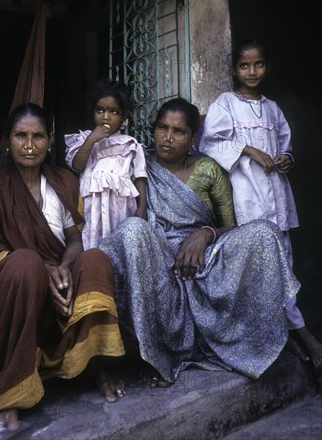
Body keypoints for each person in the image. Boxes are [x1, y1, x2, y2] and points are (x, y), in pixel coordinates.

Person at [99, 97, 300, 386]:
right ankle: (158, 355)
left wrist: (205, 234)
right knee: (131, 229)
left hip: (206, 258)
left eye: (179, 131)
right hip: (158, 256)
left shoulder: (208, 169)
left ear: (193, 137)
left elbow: (230, 226)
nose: (168, 138)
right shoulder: (139, 164)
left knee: (264, 233)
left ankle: (266, 339)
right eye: (162, 128)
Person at [0, 103, 126, 433]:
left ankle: (94, 363)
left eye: (38, 136)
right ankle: (10, 389)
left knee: (95, 260)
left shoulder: (63, 182)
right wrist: (43, 269)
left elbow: (74, 241)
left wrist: (64, 267)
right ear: (7, 141)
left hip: (56, 279)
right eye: (21, 135)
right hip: (15, 288)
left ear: (49, 142)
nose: (29, 144)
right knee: (25, 262)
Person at [199, 37, 322, 368]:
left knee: (285, 261)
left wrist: (286, 159)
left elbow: (286, 144)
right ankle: (294, 334)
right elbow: (210, 142)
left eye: (258, 64)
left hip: (276, 196)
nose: (251, 71)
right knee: (258, 269)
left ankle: (290, 331)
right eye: (244, 65)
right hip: (245, 195)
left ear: (267, 66)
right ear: (235, 69)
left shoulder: (272, 108)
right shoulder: (226, 103)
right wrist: (248, 149)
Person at [65, 79, 147, 250]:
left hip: (120, 208)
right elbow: (77, 165)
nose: (106, 116)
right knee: (92, 246)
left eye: (114, 111)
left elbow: (140, 176)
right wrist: (91, 140)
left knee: (120, 246)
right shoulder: (83, 140)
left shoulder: (130, 144)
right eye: (100, 110)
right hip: (90, 206)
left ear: (124, 117)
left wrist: (142, 207)